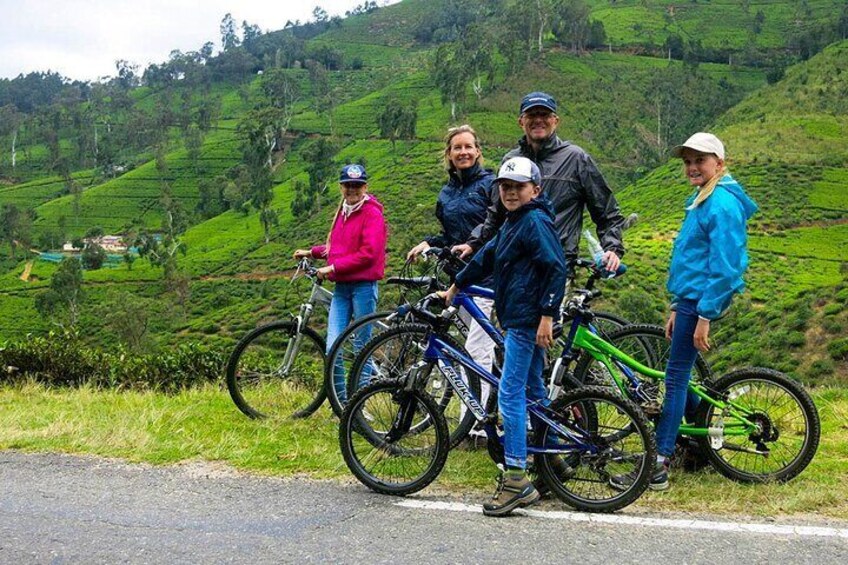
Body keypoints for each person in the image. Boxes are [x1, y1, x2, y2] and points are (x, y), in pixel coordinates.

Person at [612, 132, 757, 492]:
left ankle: (657, 463)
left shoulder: (721, 204)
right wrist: (679, 306)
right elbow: (693, 260)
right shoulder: (701, 198)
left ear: (719, 164)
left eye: (700, 161)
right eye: (688, 161)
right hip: (690, 299)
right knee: (681, 373)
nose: (692, 167)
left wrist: (704, 315)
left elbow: (724, 267)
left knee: (674, 377)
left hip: (701, 301)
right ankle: (699, 441)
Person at [444, 156, 567, 517]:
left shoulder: (534, 222)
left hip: (528, 320)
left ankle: (516, 477)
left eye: (518, 186)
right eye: (505, 187)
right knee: (533, 390)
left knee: (510, 394)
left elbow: (555, 268)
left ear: (536, 190)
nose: (511, 192)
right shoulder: (514, 222)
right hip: (518, 317)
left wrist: (547, 315)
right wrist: (455, 286)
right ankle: (554, 461)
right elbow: (485, 257)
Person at [452, 91, 625, 276]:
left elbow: (606, 212)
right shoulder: (510, 160)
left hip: (556, 268)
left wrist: (612, 248)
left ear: (555, 120)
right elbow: (496, 214)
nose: (538, 120)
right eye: (532, 115)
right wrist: (473, 243)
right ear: (521, 122)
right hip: (513, 267)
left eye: (544, 114)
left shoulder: (576, 159)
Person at [407, 125, 497, 436]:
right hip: (459, 281)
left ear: (478, 151)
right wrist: (428, 243)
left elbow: (493, 226)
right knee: (471, 350)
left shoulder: (490, 185)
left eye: (468, 147)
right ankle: (477, 416)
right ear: (449, 154)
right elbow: (449, 235)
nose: (463, 152)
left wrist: (472, 246)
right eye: (457, 148)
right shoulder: (447, 193)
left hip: (488, 276)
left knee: (475, 350)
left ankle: (474, 426)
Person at [293, 164, 387, 403]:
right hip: (342, 288)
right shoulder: (342, 211)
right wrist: (311, 253)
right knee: (332, 347)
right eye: (348, 185)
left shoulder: (372, 213)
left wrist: (332, 268)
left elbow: (368, 253)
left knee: (361, 349)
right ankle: (342, 403)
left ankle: (359, 405)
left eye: (357, 185)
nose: (352, 189)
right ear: (341, 187)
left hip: (363, 287)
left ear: (365, 187)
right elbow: (338, 249)